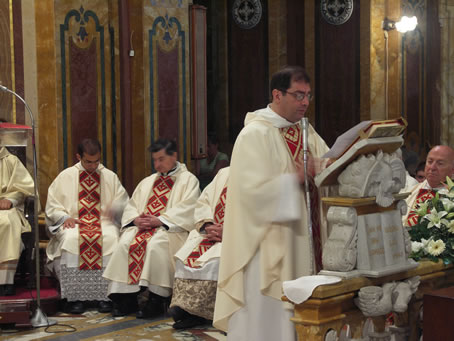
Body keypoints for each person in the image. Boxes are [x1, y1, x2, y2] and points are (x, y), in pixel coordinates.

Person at [213, 66, 329, 341]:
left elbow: (326, 163)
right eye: (298, 95)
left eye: (308, 96)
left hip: (305, 236)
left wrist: (334, 165)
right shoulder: (254, 134)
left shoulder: (306, 131)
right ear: (277, 94)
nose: (304, 102)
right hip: (269, 245)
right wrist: (294, 179)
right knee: (269, 319)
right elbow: (249, 194)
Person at [103, 138, 200, 318]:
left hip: (171, 230)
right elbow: (132, 206)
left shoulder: (188, 180)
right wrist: (136, 220)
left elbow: (189, 209)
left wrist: (161, 220)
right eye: (154, 160)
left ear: (174, 156)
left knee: (156, 244)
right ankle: (127, 298)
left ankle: (157, 299)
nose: (157, 164)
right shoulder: (148, 181)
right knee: (125, 242)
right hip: (145, 227)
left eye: (161, 159)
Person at [45, 138, 129, 313]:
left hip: (103, 222)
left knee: (112, 238)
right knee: (70, 239)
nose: (93, 166)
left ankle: (105, 296)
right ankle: (73, 298)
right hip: (74, 221)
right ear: (78, 157)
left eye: (96, 161)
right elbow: (52, 204)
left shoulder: (109, 176)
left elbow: (123, 201)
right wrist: (64, 216)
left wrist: (113, 210)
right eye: (88, 162)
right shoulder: (66, 176)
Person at [169, 166, 229, 329]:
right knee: (185, 254)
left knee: (215, 260)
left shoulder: (257, 174)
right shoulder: (224, 173)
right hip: (212, 232)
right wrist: (208, 224)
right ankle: (187, 311)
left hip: (235, 236)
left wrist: (230, 230)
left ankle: (215, 312)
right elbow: (204, 201)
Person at [0, 145, 34, 296]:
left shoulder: (11, 160)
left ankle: (5, 280)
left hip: (5, 208)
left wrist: (11, 199)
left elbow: (24, 187)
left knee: (7, 223)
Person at [404, 145, 454, 227]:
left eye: (440, 163)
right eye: (430, 162)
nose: (432, 167)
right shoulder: (410, 192)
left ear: (452, 170)